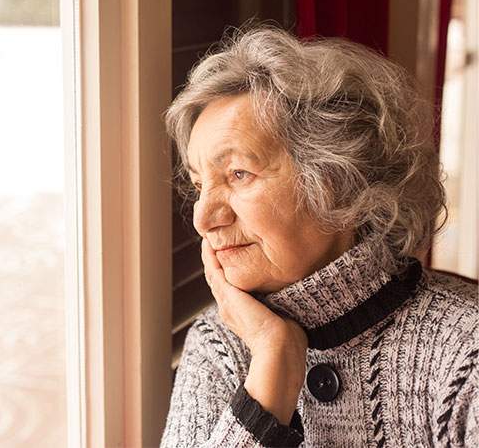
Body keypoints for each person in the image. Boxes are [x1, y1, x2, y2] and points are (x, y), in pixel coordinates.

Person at [159, 25, 478, 447]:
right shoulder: (219, 345)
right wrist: (269, 377)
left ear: (338, 180)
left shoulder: (466, 348)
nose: (203, 218)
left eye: (238, 174)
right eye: (200, 185)